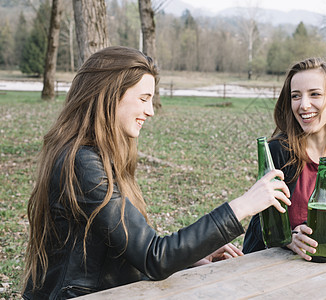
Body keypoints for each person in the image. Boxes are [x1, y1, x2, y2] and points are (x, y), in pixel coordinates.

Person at [22, 46, 291, 299]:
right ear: (109, 95)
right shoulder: (82, 162)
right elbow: (155, 256)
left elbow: (128, 244)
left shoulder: (91, 154)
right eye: (143, 98)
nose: (150, 111)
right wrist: (244, 205)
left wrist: (195, 255)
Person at [243, 57, 326, 260]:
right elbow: (260, 222)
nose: (304, 105)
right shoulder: (279, 149)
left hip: (318, 258)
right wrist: (289, 238)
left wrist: (313, 229)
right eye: (295, 96)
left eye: (315, 94)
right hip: (269, 261)